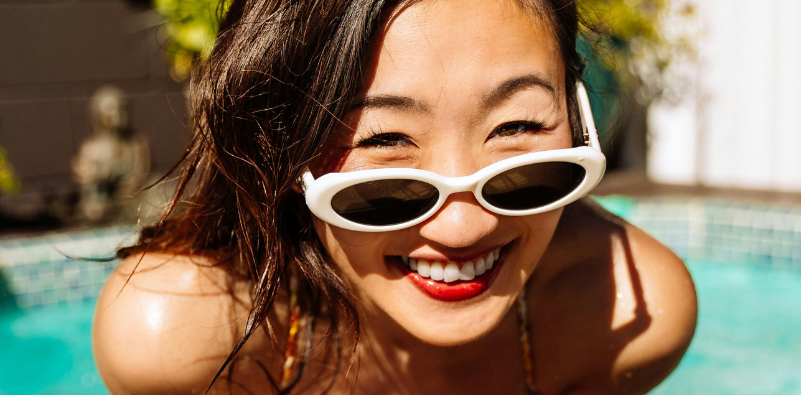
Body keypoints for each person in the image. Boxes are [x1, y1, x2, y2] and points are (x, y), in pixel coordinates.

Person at [92, 0, 698, 394]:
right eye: (384, 140)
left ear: (576, 116)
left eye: (516, 128)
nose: (463, 228)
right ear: (281, 149)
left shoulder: (625, 316)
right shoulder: (179, 341)